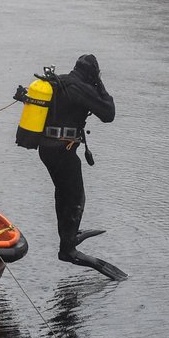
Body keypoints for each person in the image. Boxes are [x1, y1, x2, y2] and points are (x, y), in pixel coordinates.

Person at [37, 54, 127, 281]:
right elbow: (109, 113)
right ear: (92, 74)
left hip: (46, 150)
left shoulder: (61, 81)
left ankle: (68, 235)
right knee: (77, 198)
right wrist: (100, 83)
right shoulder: (81, 88)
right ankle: (68, 249)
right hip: (63, 151)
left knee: (63, 193)